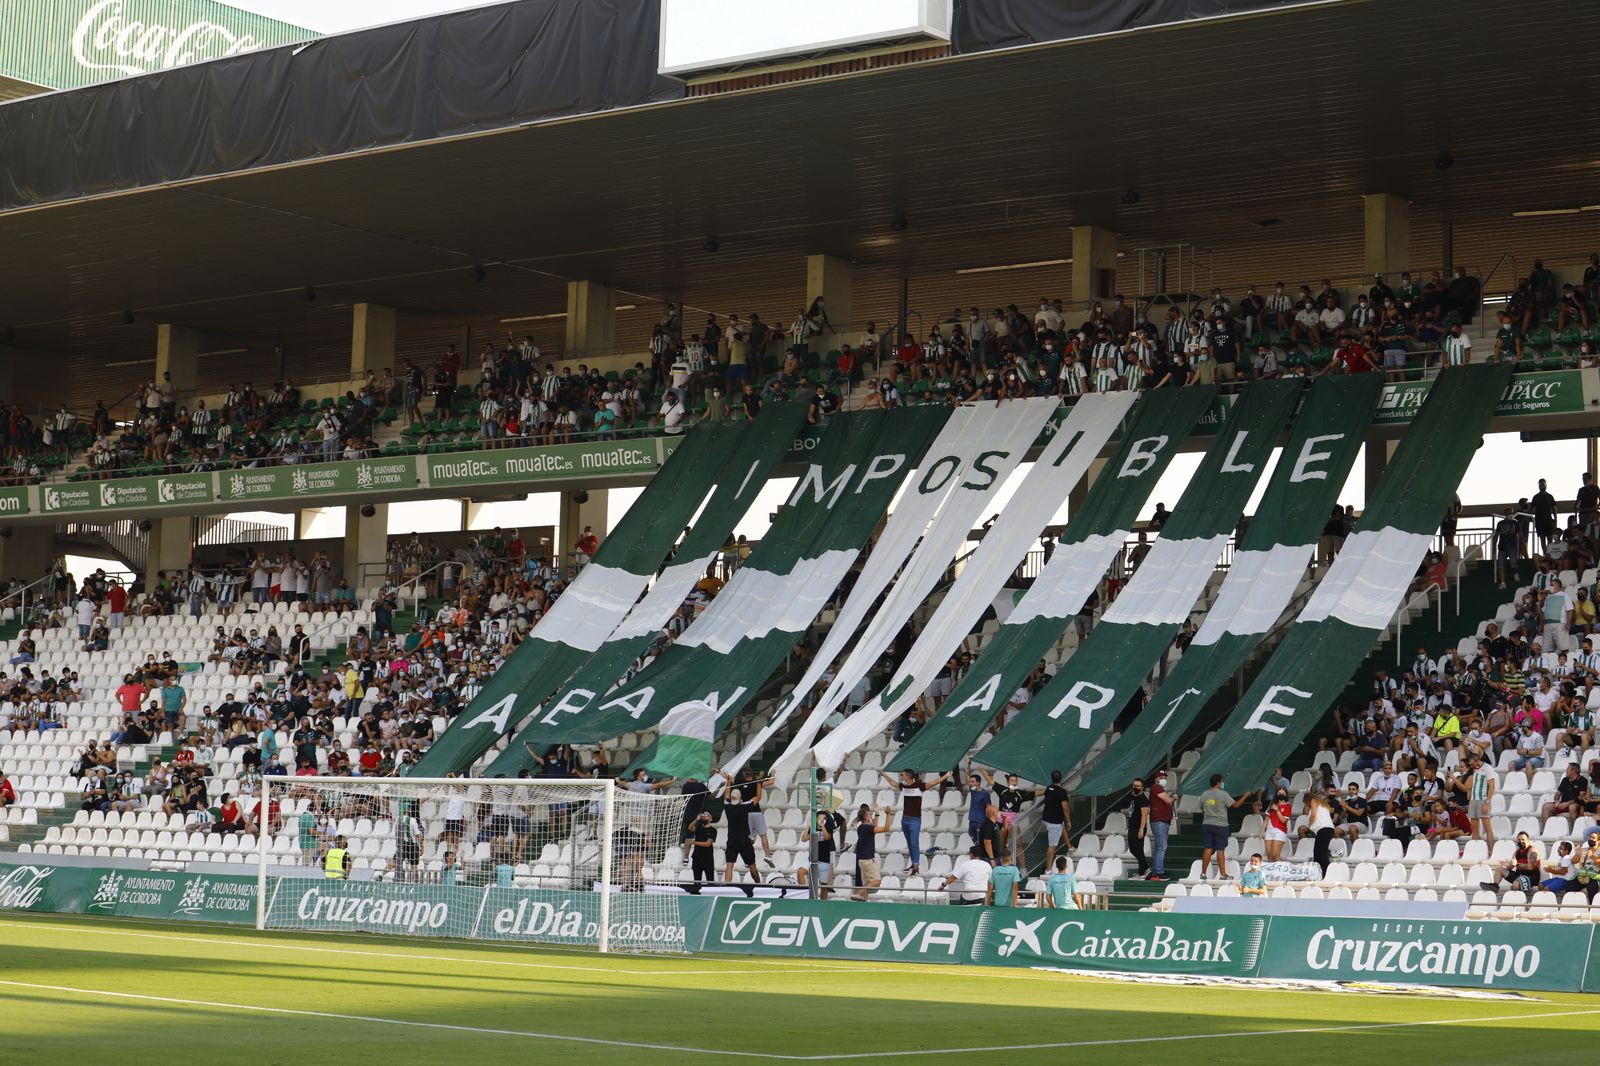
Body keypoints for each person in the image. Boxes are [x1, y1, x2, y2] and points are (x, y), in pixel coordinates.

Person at [884, 769, 948, 876]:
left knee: (914, 843)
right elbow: (893, 783)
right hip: (905, 819)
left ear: (908, 776)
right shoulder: (904, 787)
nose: (901, 777)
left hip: (915, 819)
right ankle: (913, 863)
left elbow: (933, 782)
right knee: (909, 843)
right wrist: (884, 775)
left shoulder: (919, 786)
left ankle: (916, 866)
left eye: (902, 775)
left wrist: (946, 775)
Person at [1199, 773, 1249, 879]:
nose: (1223, 783)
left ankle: (1203, 873)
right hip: (1220, 825)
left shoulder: (1204, 794)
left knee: (1207, 848)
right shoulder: (1223, 794)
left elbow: (1201, 809)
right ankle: (1223, 875)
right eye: (1222, 781)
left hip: (1207, 824)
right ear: (1218, 782)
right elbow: (1235, 805)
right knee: (1220, 850)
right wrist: (1245, 796)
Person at [850, 804, 891, 901]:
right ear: (866, 816)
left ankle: (863, 901)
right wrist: (888, 814)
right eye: (869, 814)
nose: (870, 814)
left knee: (867, 885)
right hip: (868, 860)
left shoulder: (861, 828)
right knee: (876, 881)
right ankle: (858, 893)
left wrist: (877, 814)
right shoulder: (867, 828)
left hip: (862, 861)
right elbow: (886, 829)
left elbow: (874, 827)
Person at [798, 811, 835, 898]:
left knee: (823, 886)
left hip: (824, 859)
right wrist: (808, 826)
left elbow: (827, 837)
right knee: (800, 872)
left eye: (824, 818)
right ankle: (804, 895)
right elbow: (803, 839)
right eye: (820, 818)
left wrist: (822, 827)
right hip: (812, 858)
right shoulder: (813, 828)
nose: (822, 820)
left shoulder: (828, 828)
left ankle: (823, 905)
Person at [1147, 771, 1176, 882]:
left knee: (1159, 846)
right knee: (1162, 847)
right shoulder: (1156, 787)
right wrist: (1175, 797)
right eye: (1161, 777)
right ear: (1156, 778)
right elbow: (1168, 800)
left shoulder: (1159, 788)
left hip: (1162, 821)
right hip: (1159, 821)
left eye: (1164, 777)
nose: (1163, 779)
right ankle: (1158, 872)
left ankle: (1156, 871)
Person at [1040, 769, 1071, 871]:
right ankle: (1048, 869)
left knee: (1060, 826)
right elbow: (1065, 808)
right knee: (1052, 846)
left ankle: (1070, 847)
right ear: (1061, 778)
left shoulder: (1048, 788)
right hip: (1054, 822)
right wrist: (1069, 821)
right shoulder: (1062, 792)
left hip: (1046, 819)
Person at [1305, 790, 1336, 874]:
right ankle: (1321, 873)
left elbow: (1313, 815)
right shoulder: (1323, 803)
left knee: (1320, 853)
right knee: (1320, 852)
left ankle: (1323, 873)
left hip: (1323, 829)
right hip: (1328, 829)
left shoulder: (1313, 800)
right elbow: (1332, 810)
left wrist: (1309, 825)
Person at [1126, 777, 1151, 877]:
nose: (1136, 787)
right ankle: (1145, 868)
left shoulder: (1143, 800)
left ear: (1142, 787)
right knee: (1132, 849)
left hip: (1138, 828)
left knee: (1138, 849)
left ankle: (1143, 870)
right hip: (1131, 827)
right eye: (1134, 785)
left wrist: (1141, 829)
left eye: (1138, 786)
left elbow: (1144, 815)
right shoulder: (1132, 796)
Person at [1263, 785, 1292, 862]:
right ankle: (1271, 873)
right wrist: (1262, 830)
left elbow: (1283, 821)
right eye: (1279, 792)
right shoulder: (1272, 804)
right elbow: (1267, 818)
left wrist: (1277, 810)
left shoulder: (1288, 806)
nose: (1281, 794)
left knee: (1275, 855)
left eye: (1283, 793)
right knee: (1269, 855)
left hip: (1280, 831)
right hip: (1269, 831)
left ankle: (1281, 872)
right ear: (1276, 794)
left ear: (1286, 795)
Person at [688, 810, 717, 886]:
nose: (704, 817)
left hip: (707, 858)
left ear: (711, 818)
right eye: (703, 816)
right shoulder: (699, 828)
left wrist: (694, 842)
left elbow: (708, 844)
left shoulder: (713, 830)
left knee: (710, 880)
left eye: (706, 815)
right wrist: (696, 819)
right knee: (697, 881)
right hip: (697, 857)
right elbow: (690, 828)